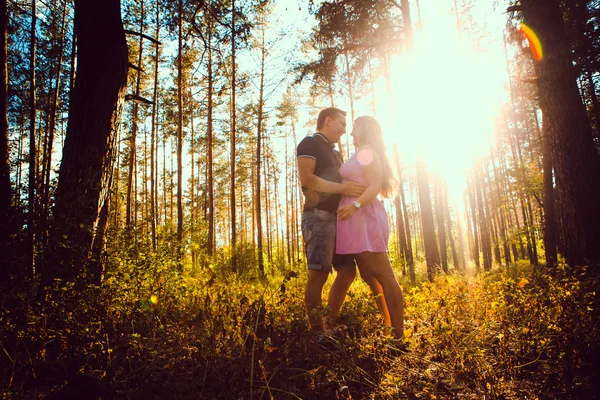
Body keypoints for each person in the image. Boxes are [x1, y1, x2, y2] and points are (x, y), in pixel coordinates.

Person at [297, 107, 376, 334]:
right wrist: (344, 188)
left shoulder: (335, 153)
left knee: (348, 272)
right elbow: (307, 179)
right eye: (341, 124)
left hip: (340, 219)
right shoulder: (309, 143)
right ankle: (317, 334)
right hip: (318, 216)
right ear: (328, 121)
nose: (345, 130)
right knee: (319, 275)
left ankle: (328, 324)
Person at [336, 115, 405, 339]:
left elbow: (374, 185)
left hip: (365, 219)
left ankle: (398, 335)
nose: (351, 132)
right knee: (369, 275)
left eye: (354, 128)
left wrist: (355, 205)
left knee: (384, 275)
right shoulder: (360, 153)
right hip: (355, 221)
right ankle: (389, 328)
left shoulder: (366, 152)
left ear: (364, 129)